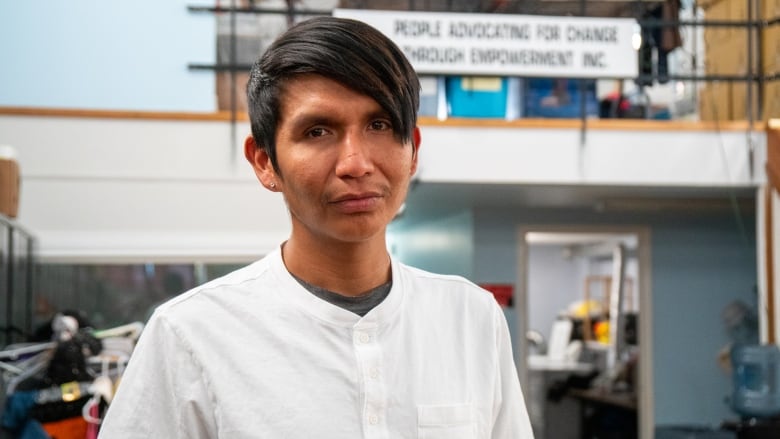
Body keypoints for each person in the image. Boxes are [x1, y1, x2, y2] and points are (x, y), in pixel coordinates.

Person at [99, 16, 534, 438]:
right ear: (265, 161)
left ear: (413, 149)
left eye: (379, 125)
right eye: (318, 131)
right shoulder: (190, 334)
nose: (356, 164)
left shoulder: (471, 318)